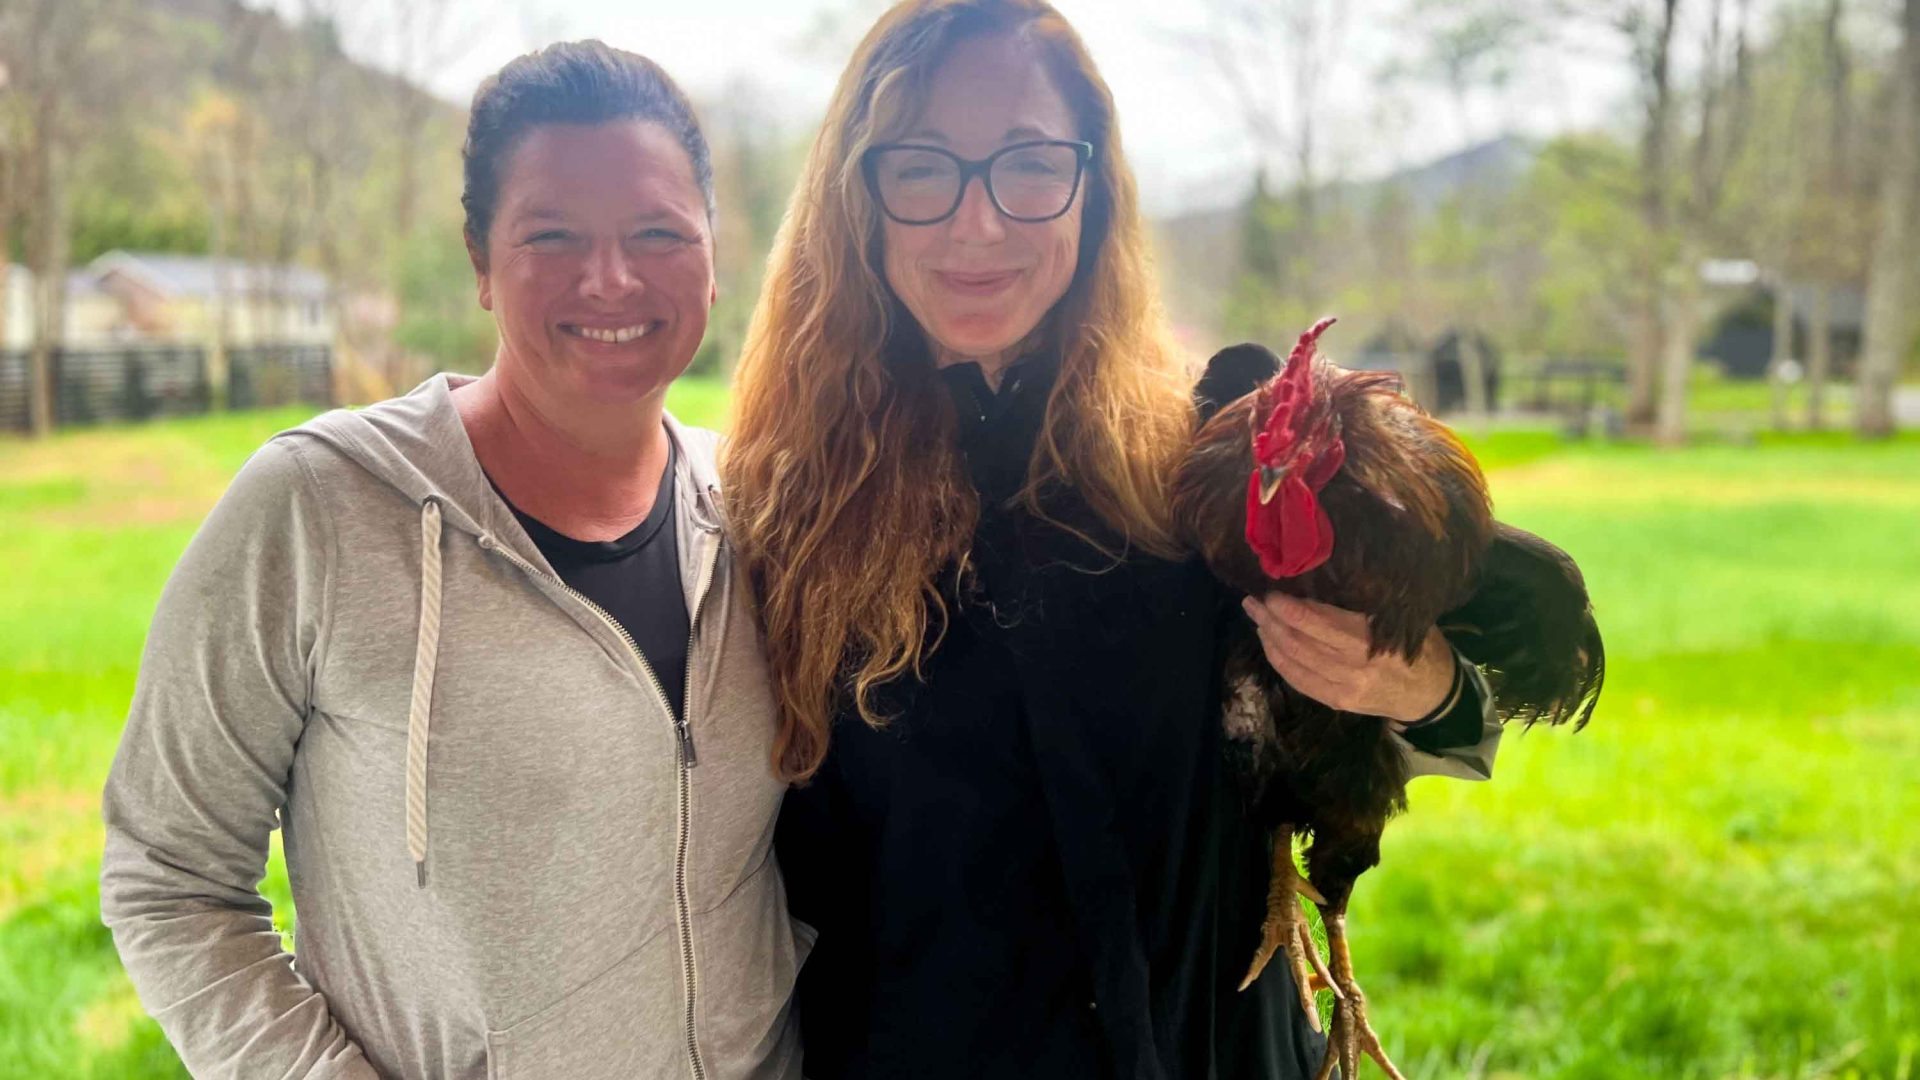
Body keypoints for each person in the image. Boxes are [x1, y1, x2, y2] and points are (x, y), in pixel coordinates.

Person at [722, 2, 1502, 1076]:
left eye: (1031, 164)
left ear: (1094, 186)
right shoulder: (780, 510)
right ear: (859, 199)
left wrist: (1423, 690)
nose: (979, 222)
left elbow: (1466, 719)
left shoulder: (1208, 453)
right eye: (922, 168)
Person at [100, 42, 804, 1079]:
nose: (610, 277)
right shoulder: (318, 508)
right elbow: (167, 875)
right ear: (480, 260)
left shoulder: (761, 514)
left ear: (711, 255)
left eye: (657, 233)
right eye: (552, 236)